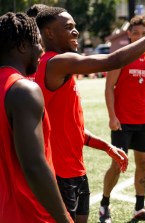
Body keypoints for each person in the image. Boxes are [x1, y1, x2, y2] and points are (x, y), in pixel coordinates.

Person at [34, 4, 145, 223]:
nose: (76, 31)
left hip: (76, 170)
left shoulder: (62, 68)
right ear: (49, 33)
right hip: (60, 174)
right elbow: (113, 61)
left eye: (75, 26)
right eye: (68, 27)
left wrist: (106, 146)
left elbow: (72, 127)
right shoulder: (56, 62)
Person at [0, 12, 72, 223]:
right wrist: (63, 218)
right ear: (23, 46)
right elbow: (34, 166)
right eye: (38, 43)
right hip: (32, 214)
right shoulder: (24, 89)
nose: (42, 50)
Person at [100, 15, 145, 223]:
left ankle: (139, 208)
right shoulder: (121, 56)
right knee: (117, 165)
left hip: (144, 122)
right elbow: (109, 88)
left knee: (143, 164)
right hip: (122, 122)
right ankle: (104, 206)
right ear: (129, 34)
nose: (140, 37)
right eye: (136, 33)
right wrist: (112, 116)